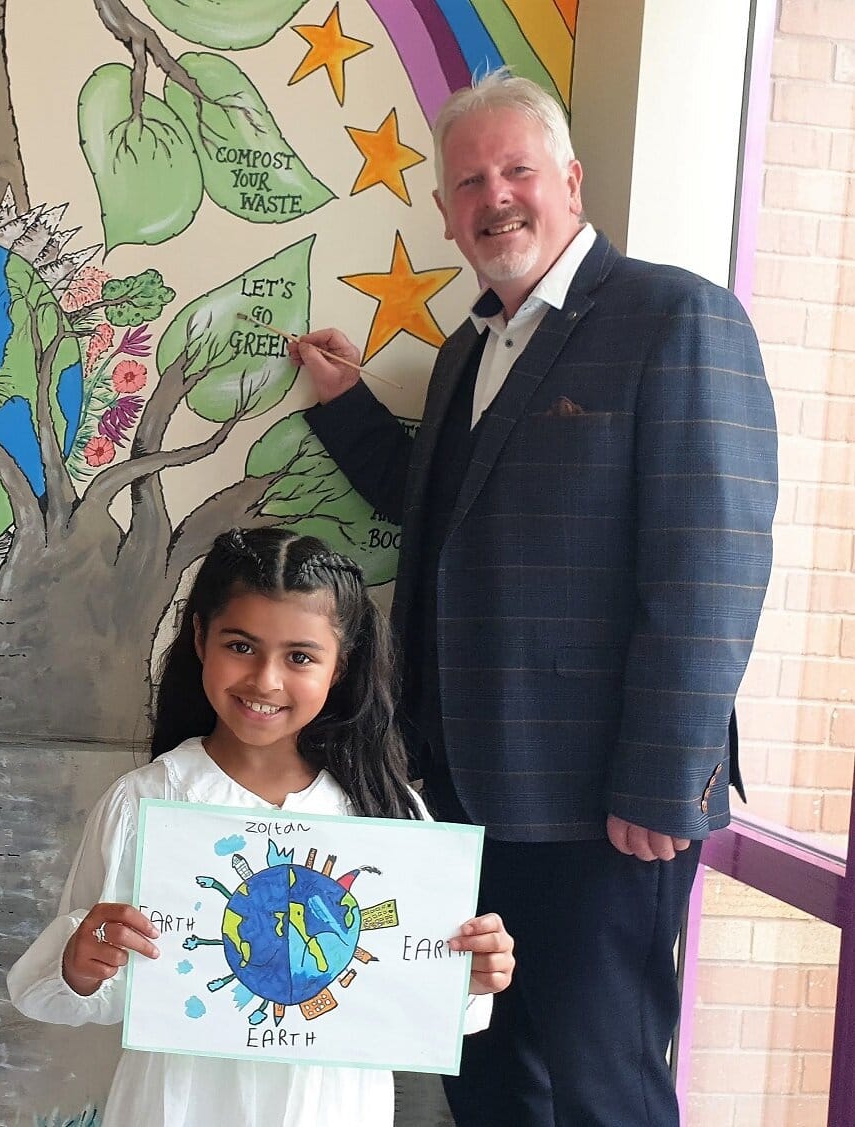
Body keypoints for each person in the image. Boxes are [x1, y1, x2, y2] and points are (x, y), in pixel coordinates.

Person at [289, 70, 777, 1127]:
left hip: (603, 806)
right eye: (468, 182)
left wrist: (661, 778)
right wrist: (346, 409)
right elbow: (444, 516)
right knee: (487, 1076)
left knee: (602, 1086)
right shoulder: (470, 345)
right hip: (459, 791)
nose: (494, 197)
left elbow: (711, 565)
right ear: (444, 214)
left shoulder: (674, 316)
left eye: (515, 170)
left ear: (568, 177)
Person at [7, 527, 516, 1127]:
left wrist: (476, 971)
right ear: (199, 637)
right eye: (241, 647)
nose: (266, 681)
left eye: (300, 657)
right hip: (178, 1106)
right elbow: (78, 990)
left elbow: (424, 997)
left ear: (341, 665)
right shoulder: (148, 802)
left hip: (330, 1109)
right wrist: (79, 965)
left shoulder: (388, 813)